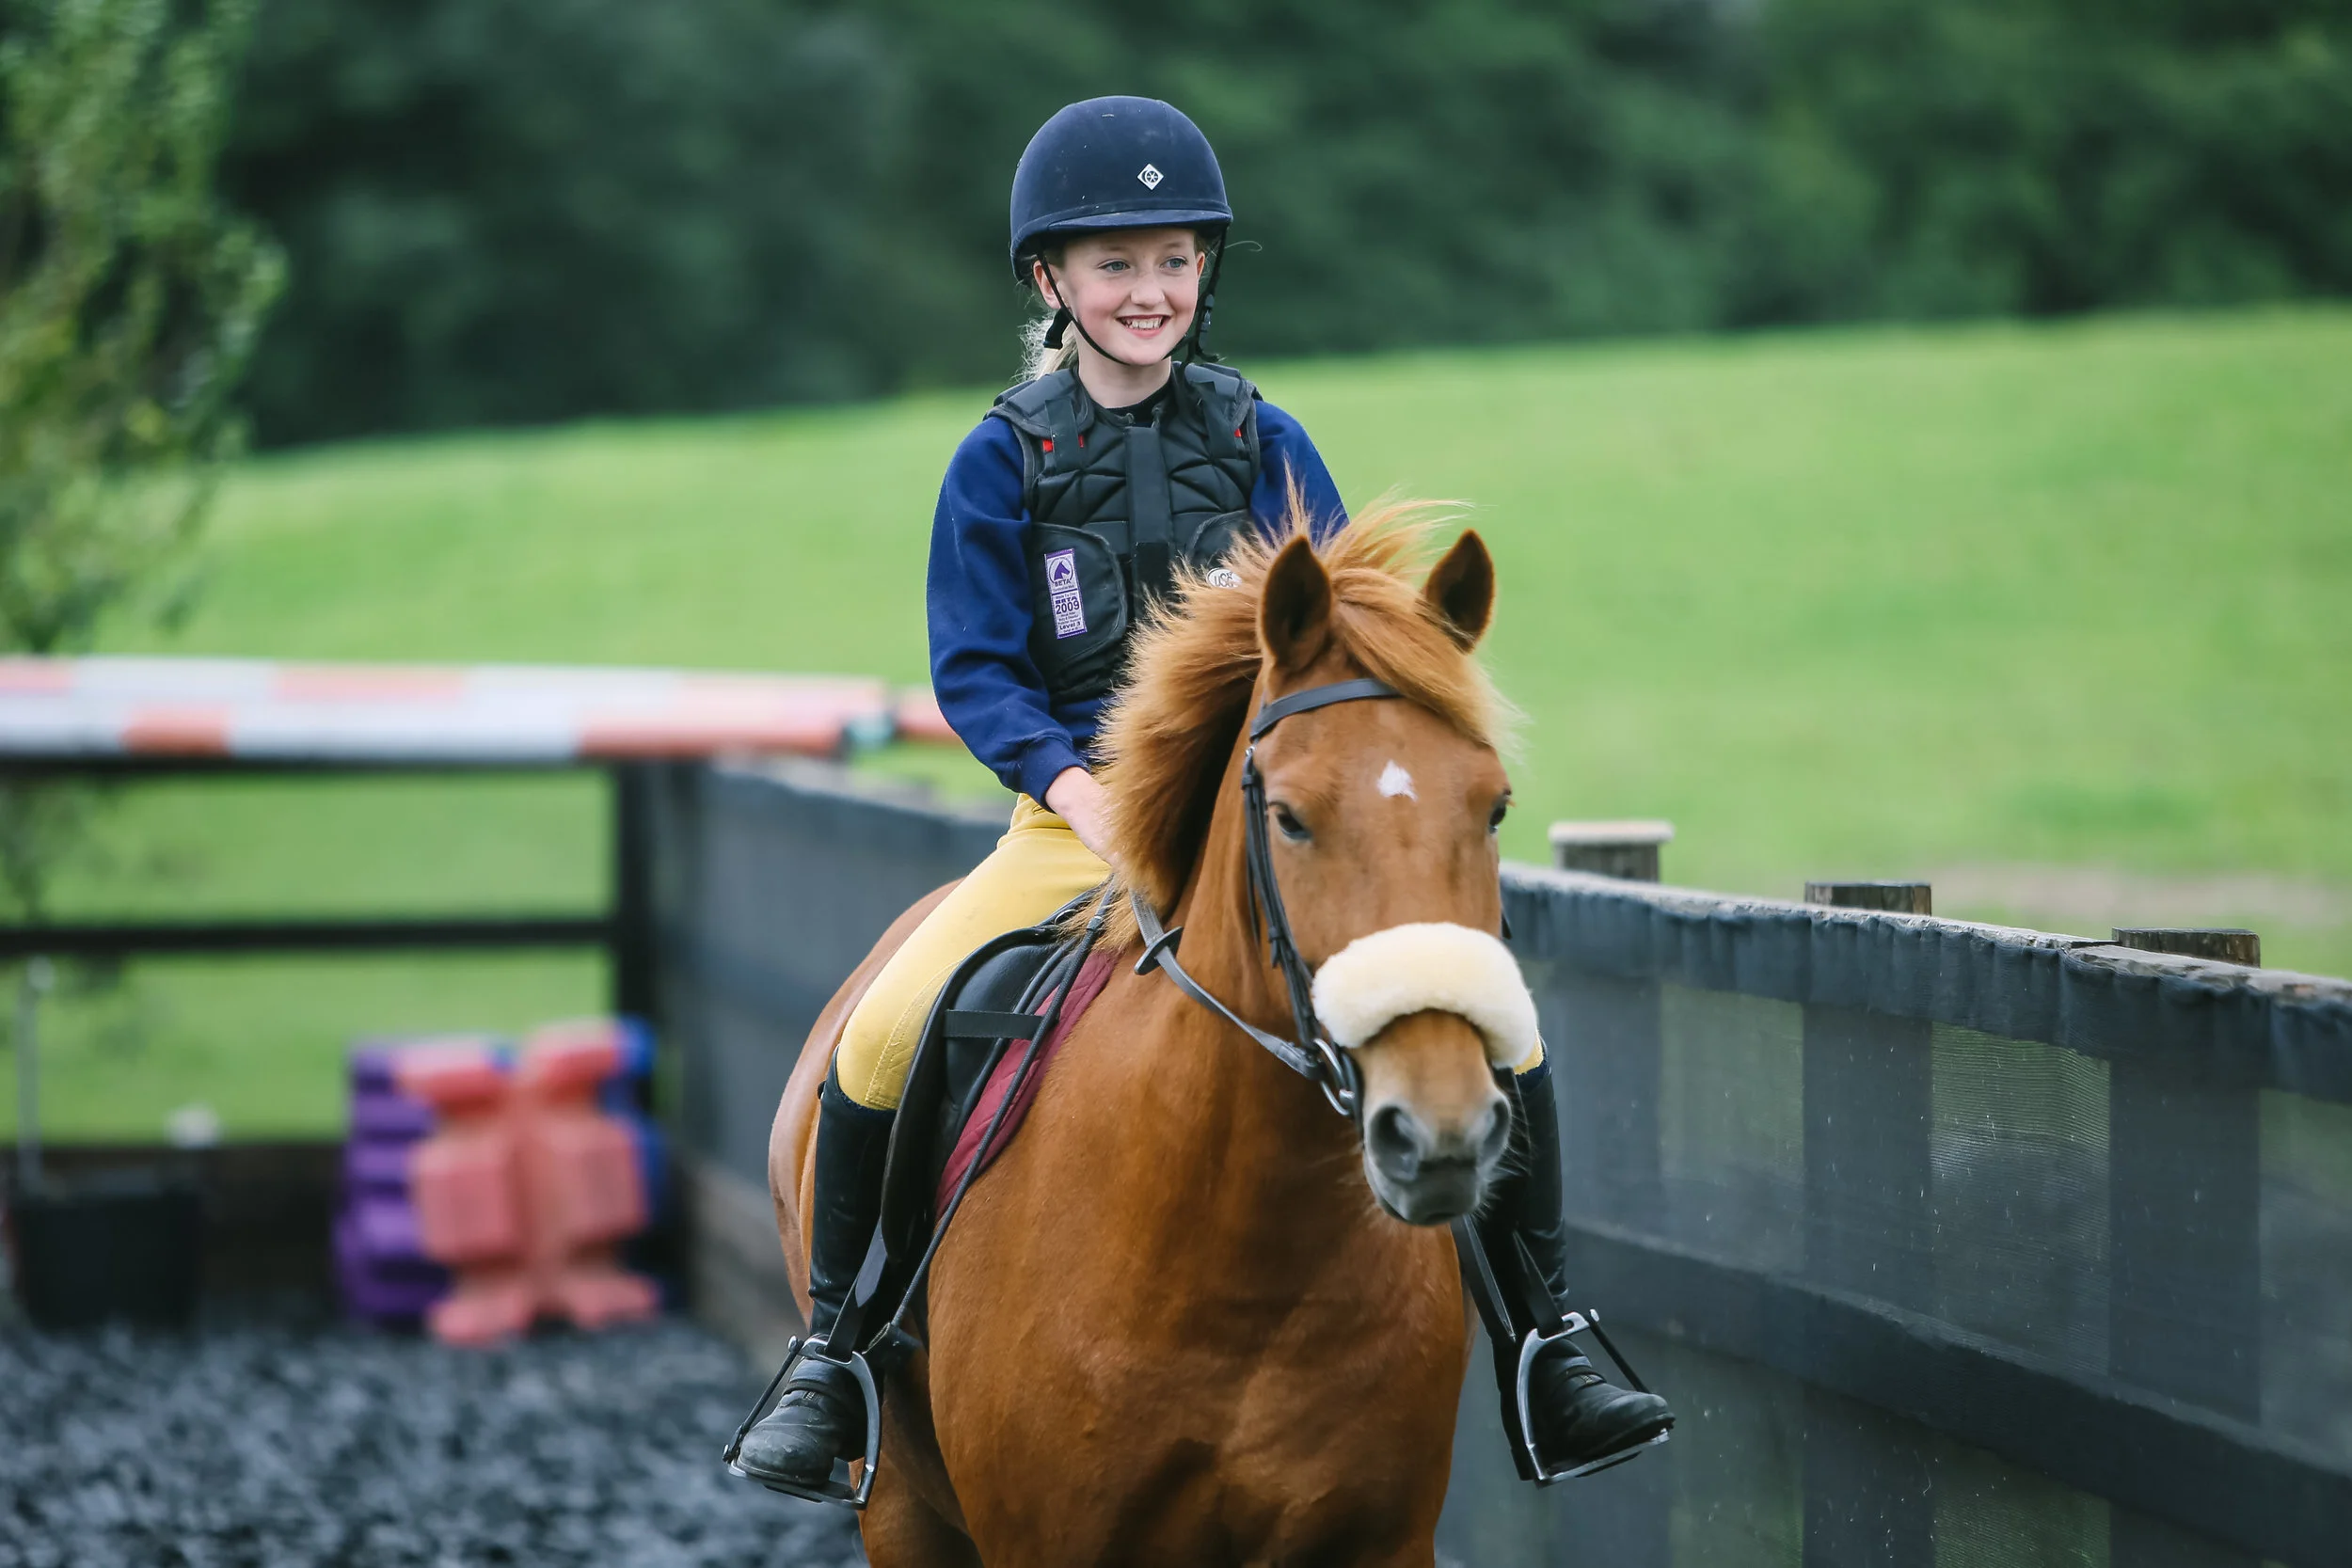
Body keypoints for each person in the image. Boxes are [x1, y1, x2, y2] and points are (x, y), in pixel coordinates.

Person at [732, 95, 1671, 1494]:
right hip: (1070, 826)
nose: (1150, 291)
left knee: (1489, 1013)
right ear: (1052, 281)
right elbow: (979, 673)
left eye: (1173, 260)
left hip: (1266, 834)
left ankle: (1547, 1333)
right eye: (1115, 264)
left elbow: (1355, 633)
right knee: (882, 1028)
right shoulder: (1002, 457)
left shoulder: (1264, 439)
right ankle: (835, 1352)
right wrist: (1085, 799)